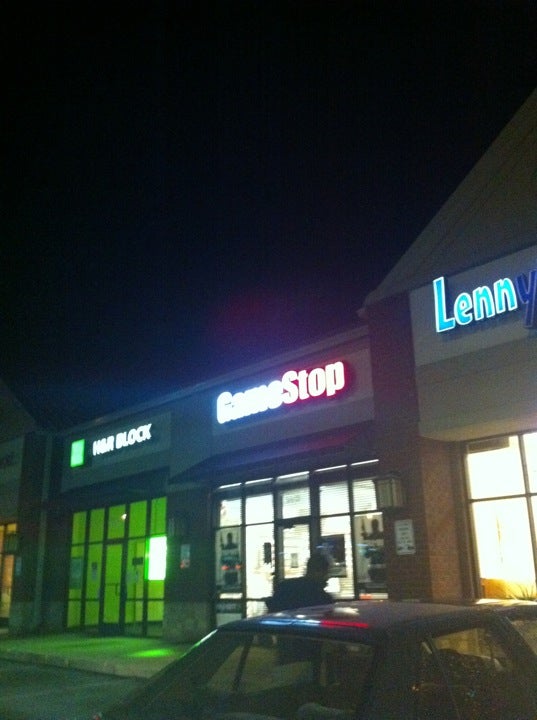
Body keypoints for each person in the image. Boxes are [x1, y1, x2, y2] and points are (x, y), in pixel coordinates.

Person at [266, 551, 334, 612]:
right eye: (327, 572)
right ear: (319, 572)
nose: (328, 577)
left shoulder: (285, 587)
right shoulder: (322, 598)